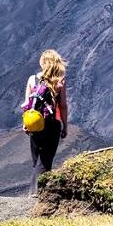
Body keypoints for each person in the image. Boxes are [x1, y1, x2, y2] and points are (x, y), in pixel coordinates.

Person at [24, 49, 68, 197]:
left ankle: (38, 192)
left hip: (35, 124)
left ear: (43, 63)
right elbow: (62, 105)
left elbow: (27, 104)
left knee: (37, 160)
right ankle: (36, 194)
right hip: (51, 124)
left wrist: (26, 123)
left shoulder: (32, 79)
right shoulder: (59, 82)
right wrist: (65, 125)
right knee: (46, 160)